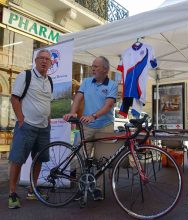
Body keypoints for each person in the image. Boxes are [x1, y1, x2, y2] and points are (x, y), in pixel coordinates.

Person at [63, 56, 118, 200]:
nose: (92, 68)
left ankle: (97, 189)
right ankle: (82, 188)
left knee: (101, 159)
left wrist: (94, 116)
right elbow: (78, 98)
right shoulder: (87, 82)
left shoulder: (112, 84)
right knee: (81, 157)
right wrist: (73, 111)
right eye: (92, 66)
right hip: (86, 126)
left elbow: (108, 106)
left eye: (96, 66)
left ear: (105, 69)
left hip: (105, 126)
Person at [8, 49, 53, 209]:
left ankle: (32, 189)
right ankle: (12, 193)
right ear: (35, 61)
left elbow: (46, 102)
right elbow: (14, 99)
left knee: (39, 159)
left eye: (47, 59)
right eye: (41, 58)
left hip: (43, 128)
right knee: (18, 159)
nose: (44, 61)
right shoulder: (25, 76)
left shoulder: (49, 81)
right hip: (26, 126)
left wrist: (48, 120)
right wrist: (21, 120)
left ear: (51, 63)